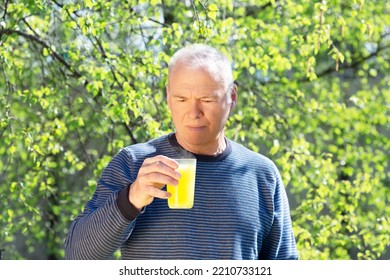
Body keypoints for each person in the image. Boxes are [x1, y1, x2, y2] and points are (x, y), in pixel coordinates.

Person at [64, 44, 298, 260]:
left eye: (207, 99)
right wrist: (131, 198)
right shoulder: (133, 163)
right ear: (168, 96)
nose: (194, 112)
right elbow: (78, 256)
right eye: (182, 98)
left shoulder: (261, 174)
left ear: (232, 97)